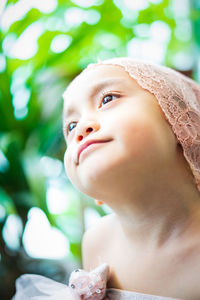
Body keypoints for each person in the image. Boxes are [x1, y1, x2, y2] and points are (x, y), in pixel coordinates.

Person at [12, 57, 200, 300]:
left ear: (182, 126)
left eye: (107, 99)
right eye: (70, 127)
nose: (81, 128)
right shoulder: (96, 241)